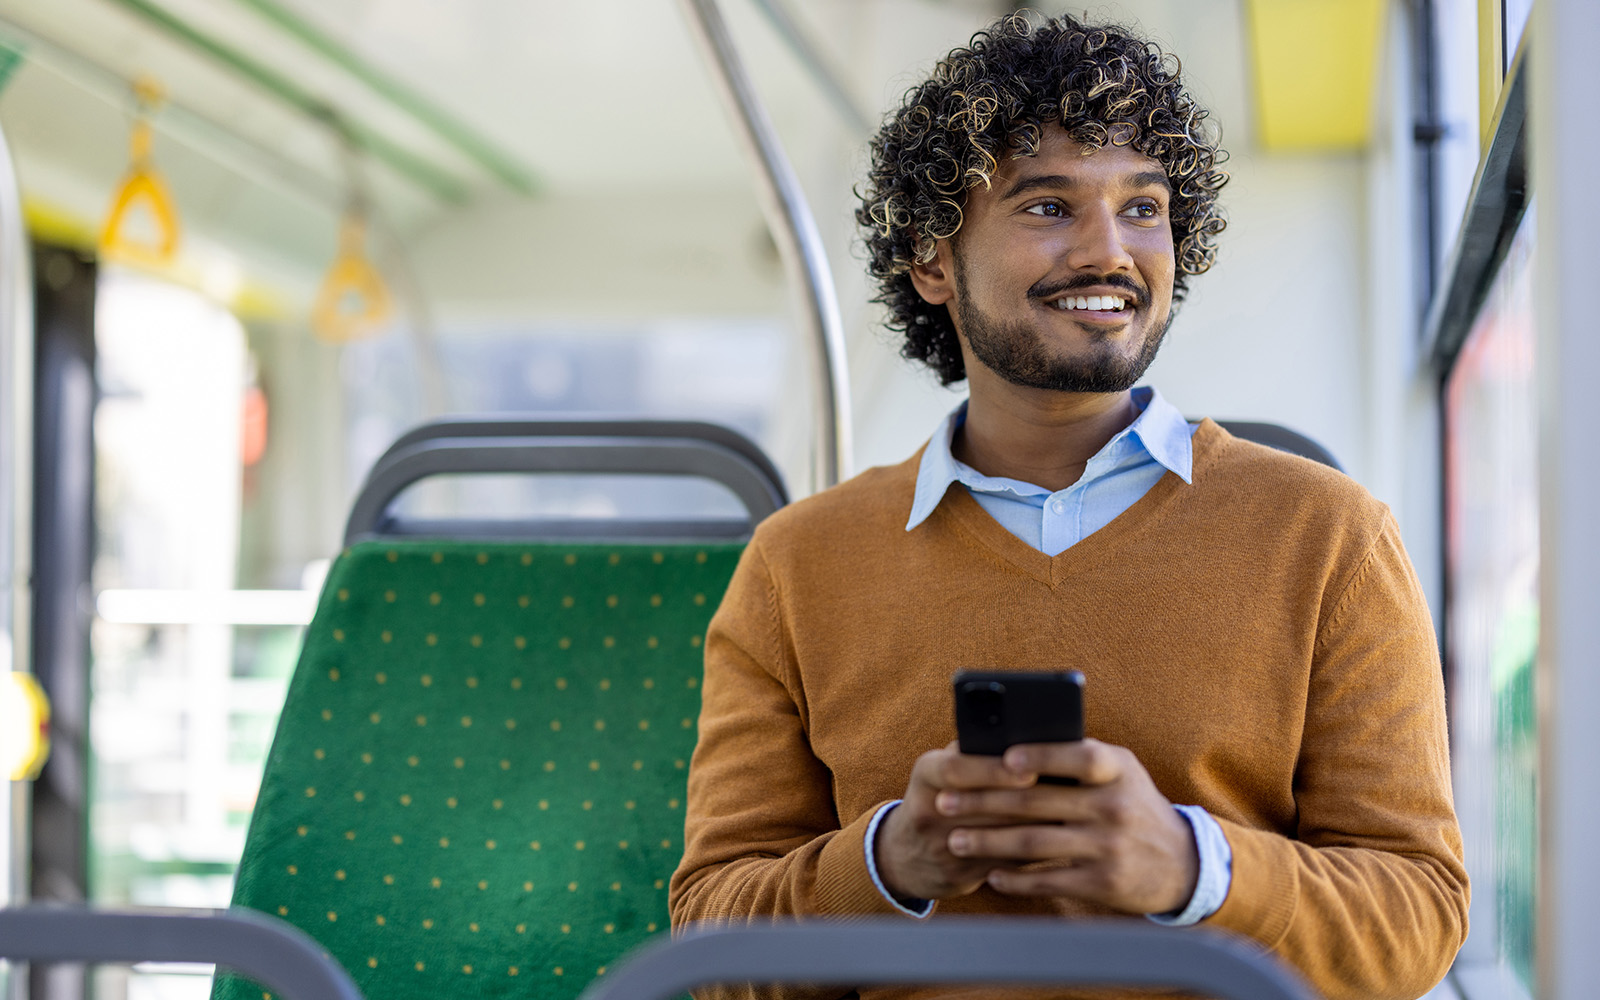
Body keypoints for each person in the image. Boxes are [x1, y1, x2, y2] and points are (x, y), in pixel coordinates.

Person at [669, 12, 1467, 1000]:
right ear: (930, 263)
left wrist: (1188, 866)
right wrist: (886, 863)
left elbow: (1417, 915)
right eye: (1047, 206)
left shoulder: (1332, 537)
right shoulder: (796, 565)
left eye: (1142, 207)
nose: (1110, 251)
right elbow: (711, 941)